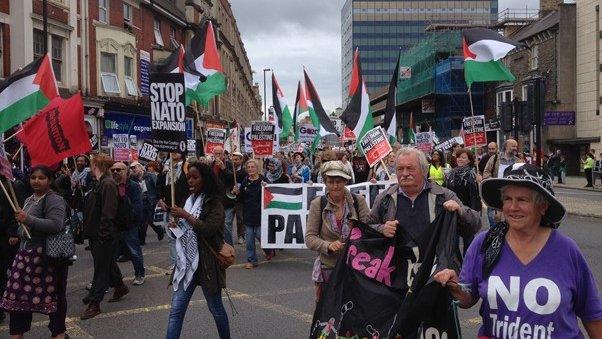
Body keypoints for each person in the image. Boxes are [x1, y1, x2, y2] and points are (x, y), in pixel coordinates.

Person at [434, 163, 602, 338]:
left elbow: (592, 313)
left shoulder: (567, 251)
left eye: (522, 200)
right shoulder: (484, 243)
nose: (512, 207)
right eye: (507, 199)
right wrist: (456, 287)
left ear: (543, 206)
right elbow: (468, 298)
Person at [0, 166, 68, 338]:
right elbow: (21, 225)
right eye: (33, 177)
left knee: (54, 300)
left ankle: (58, 333)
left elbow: (56, 225)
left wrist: (27, 219)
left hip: (46, 258)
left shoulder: (54, 200)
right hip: (25, 257)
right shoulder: (30, 198)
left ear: (49, 180)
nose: (36, 181)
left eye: (41, 178)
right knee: (17, 301)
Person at [367, 147, 481, 250]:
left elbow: (475, 225)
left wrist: (460, 212)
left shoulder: (443, 195)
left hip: (435, 268)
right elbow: (366, 228)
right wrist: (382, 229)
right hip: (396, 269)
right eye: (400, 169)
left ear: (424, 170)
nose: (405, 173)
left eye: (410, 168)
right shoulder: (384, 198)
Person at [164, 161, 230, 339]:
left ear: (205, 179)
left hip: (207, 264)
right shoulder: (188, 201)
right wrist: (175, 225)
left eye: (195, 177)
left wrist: (185, 216)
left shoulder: (214, 203)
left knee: (216, 309)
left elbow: (208, 229)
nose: (190, 181)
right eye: (188, 178)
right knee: (176, 312)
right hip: (186, 264)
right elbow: (184, 231)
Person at [305, 161, 370, 301]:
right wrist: (328, 245)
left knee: (353, 311)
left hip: (355, 267)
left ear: (346, 181)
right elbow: (310, 238)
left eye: (339, 181)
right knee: (327, 314)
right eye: (331, 181)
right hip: (328, 268)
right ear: (325, 182)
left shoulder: (358, 201)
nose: (335, 186)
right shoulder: (318, 204)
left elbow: (369, 230)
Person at [81, 154, 129, 320]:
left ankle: (95, 302)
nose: (90, 168)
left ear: (96, 166)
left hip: (104, 234)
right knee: (107, 263)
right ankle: (120, 286)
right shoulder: (101, 183)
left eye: (91, 165)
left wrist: (103, 234)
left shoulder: (107, 184)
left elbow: (108, 212)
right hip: (97, 233)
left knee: (101, 268)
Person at [111, 161, 145, 285]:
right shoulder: (109, 185)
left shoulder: (134, 186)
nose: (115, 172)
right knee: (111, 254)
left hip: (129, 225)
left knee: (134, 251)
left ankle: (140, 274)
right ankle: (111, 280)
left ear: (126, 172)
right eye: (113, 170)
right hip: (114, 225)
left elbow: (137, 207)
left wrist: (132, 221)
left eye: (119, 170)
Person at [445, 149, 482, 253]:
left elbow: (476, 195)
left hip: (468, 211)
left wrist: (479, 183)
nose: (460, 159)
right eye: (458, 157)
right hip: (453, 212)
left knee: (469, 242)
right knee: (453, 242)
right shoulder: (450, 174)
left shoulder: (473, 174)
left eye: (463, 157)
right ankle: (456, 265)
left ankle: (468, 264)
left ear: (469, 160)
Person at [157, 152, 189, 271]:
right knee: (171, 236)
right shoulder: (165, 167)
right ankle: (175, 262)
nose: (174, 153)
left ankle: (185, 260)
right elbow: (159, 184)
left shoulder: (186, 167)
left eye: (177, 150)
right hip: (168, 207)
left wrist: (181, 208)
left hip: (182, 208)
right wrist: (159, 199)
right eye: (172, 150)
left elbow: (188, 188)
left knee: (183, 234)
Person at [239, 159, 273, 268]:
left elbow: (272, 193)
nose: (250, 169)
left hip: (261, 214)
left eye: (252, 167)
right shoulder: (245, 181)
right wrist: (237, 192)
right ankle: (252, 260)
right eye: (248, 167)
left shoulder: (263, 180)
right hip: (248, 213)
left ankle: (268, 250)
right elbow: (241, 198)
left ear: (257, 168)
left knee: (260, 235)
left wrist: (266, 186)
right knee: (249, 240)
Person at [0, 177, 25, 324]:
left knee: (8, 268)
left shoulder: (11, 185)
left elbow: (16, 209)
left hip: (5, 236)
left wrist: (13, 232)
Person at [483, 138, 519, 227]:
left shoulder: (518, 161)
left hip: (510, 194)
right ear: (506, 146)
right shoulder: (495, 158)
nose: (515, 148)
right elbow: (486, 172)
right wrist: (493, 181)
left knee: (510, 221)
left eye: (516, 146)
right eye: (513, 146)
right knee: (494, 221)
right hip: (495, 192)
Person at [130, 161, 165, 244]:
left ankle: (159, 231)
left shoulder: (149, 176)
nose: (133, 169)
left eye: (135, 167)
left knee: (150, 219)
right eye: (132, 168)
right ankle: (141, 240)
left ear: (140, 167)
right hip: (141, 202)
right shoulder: (133, 179)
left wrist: (159, 199)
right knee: (142, 220)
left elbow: (157, 186)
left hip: (151, 201)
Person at [231, 152, 247, 245]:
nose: (234, 162)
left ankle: (241, 236)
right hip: (229, 198)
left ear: (241, 160)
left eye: (236, 160)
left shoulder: (244, 171)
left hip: (240, 198)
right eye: (233, 159)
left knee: (240, 218)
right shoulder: (229, 168)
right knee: (227, 220)